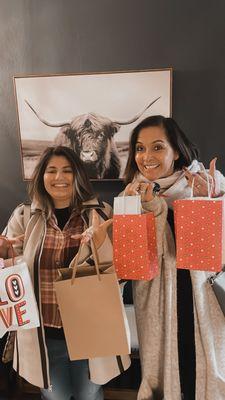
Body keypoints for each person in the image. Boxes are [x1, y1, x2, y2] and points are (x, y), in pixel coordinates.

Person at [0, 146, 130, 400]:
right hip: (43, 335)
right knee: (54, 396)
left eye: (67, 170)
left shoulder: (100, 214)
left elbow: (122, 273)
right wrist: (4, 253)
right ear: (42, 176)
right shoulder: (25, 215)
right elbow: (9, 274)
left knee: (89, 394)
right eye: (52, 170)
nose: (59, 177)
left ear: (78, 175)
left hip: (91, 329)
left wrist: (101, 243)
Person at [123, 115, 225, 400]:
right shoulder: (131, 194)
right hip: (157, 300)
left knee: (203, 371)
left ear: (176, 150)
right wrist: (138, 210)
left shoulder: (209, 182)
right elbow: (132, 264)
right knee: (163, 374)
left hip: (202, 299)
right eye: (140, 149)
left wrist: (213, 201)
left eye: (157, 147)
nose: (147, 157)